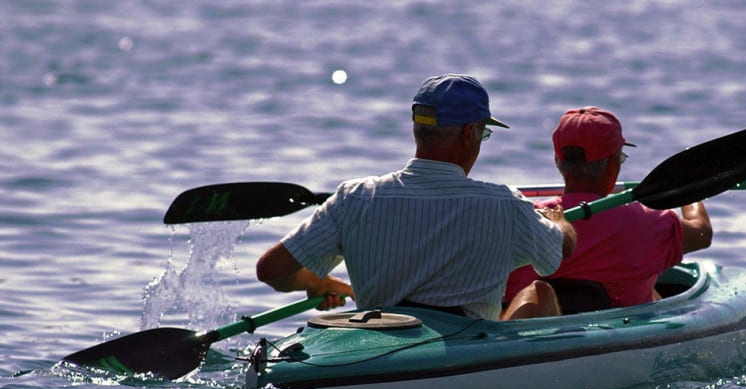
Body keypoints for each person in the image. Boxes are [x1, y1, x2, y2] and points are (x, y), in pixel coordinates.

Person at [256, 74, 576, 320]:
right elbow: (558, 252)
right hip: (463, 363)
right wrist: (558, 220)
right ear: (469, 134)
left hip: (376, 351)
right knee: (540, 293)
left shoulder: (353, 198)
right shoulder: (505, 205)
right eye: (484, 133)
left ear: (417, 130)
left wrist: (317, 283)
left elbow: (271, 270)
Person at [502, 107, 712, 316]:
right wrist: (688, 187)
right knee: (652, 290)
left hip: (527, 328)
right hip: (617, 331)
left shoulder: (523, 220)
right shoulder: (647, 221)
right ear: (612, 163)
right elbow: (701, 232)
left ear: (558, 160)